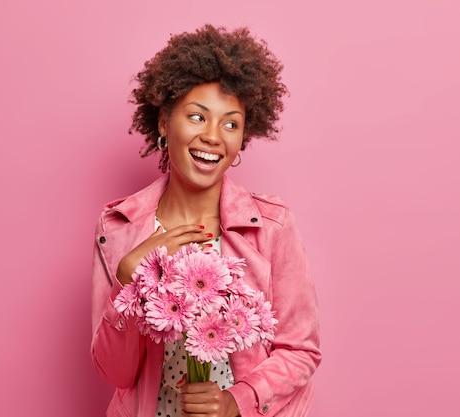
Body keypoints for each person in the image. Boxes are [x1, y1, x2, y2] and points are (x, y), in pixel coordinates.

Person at [91, 24, 321, 417]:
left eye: (230, 123)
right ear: (164, 123)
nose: (214, 136)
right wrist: (128, 278)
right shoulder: (118, 228)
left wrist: (238, 400)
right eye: (197, 117)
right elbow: (116, 373)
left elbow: (300, 349)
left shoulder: (271, 226)